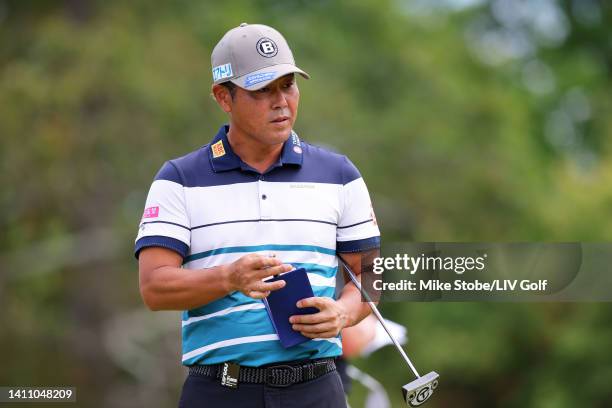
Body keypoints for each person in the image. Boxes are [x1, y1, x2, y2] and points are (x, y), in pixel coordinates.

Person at [134, 22, 380, 408]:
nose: (281, 101)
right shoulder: (178, 179)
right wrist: (228, 277)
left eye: (287, 85)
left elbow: (370, 274)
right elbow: (154, 289)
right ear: (223, 97)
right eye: (262, 90)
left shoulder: (340, 175)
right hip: (220, 391)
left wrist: (344, 314)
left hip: (317, 389)